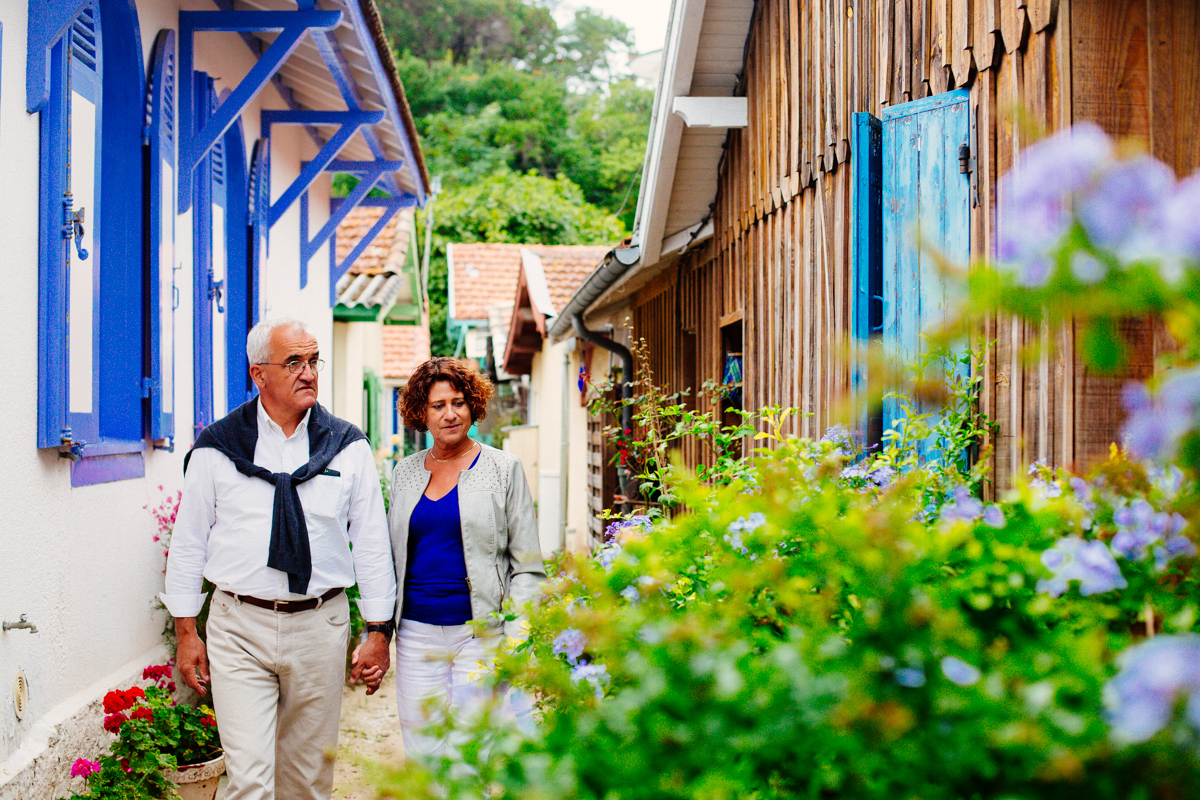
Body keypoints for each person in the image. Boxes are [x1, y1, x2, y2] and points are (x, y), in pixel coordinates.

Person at [161, 318, 397, 800]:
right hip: (238, 626)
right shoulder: (218, 448)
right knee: (249, 781)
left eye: (313, 361)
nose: (308, 372)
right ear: (258, 374)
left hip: (320, 625)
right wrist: (187, 633)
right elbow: (188, 543)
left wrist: (378, 631)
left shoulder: (347, 447)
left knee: (308, 782)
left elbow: (372, 544)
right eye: (294, 362)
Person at [383, 357, 545, 758]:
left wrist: (517, 636)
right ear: (421, 412)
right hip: (416, 634)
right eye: (438, 406)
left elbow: (527, 566)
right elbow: (388, 556)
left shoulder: (503, 469)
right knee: (425, 751)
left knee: (474, 751)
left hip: (481, 633)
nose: (450, 414)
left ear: (473, 404)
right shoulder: (403, 473)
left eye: (458, 402)